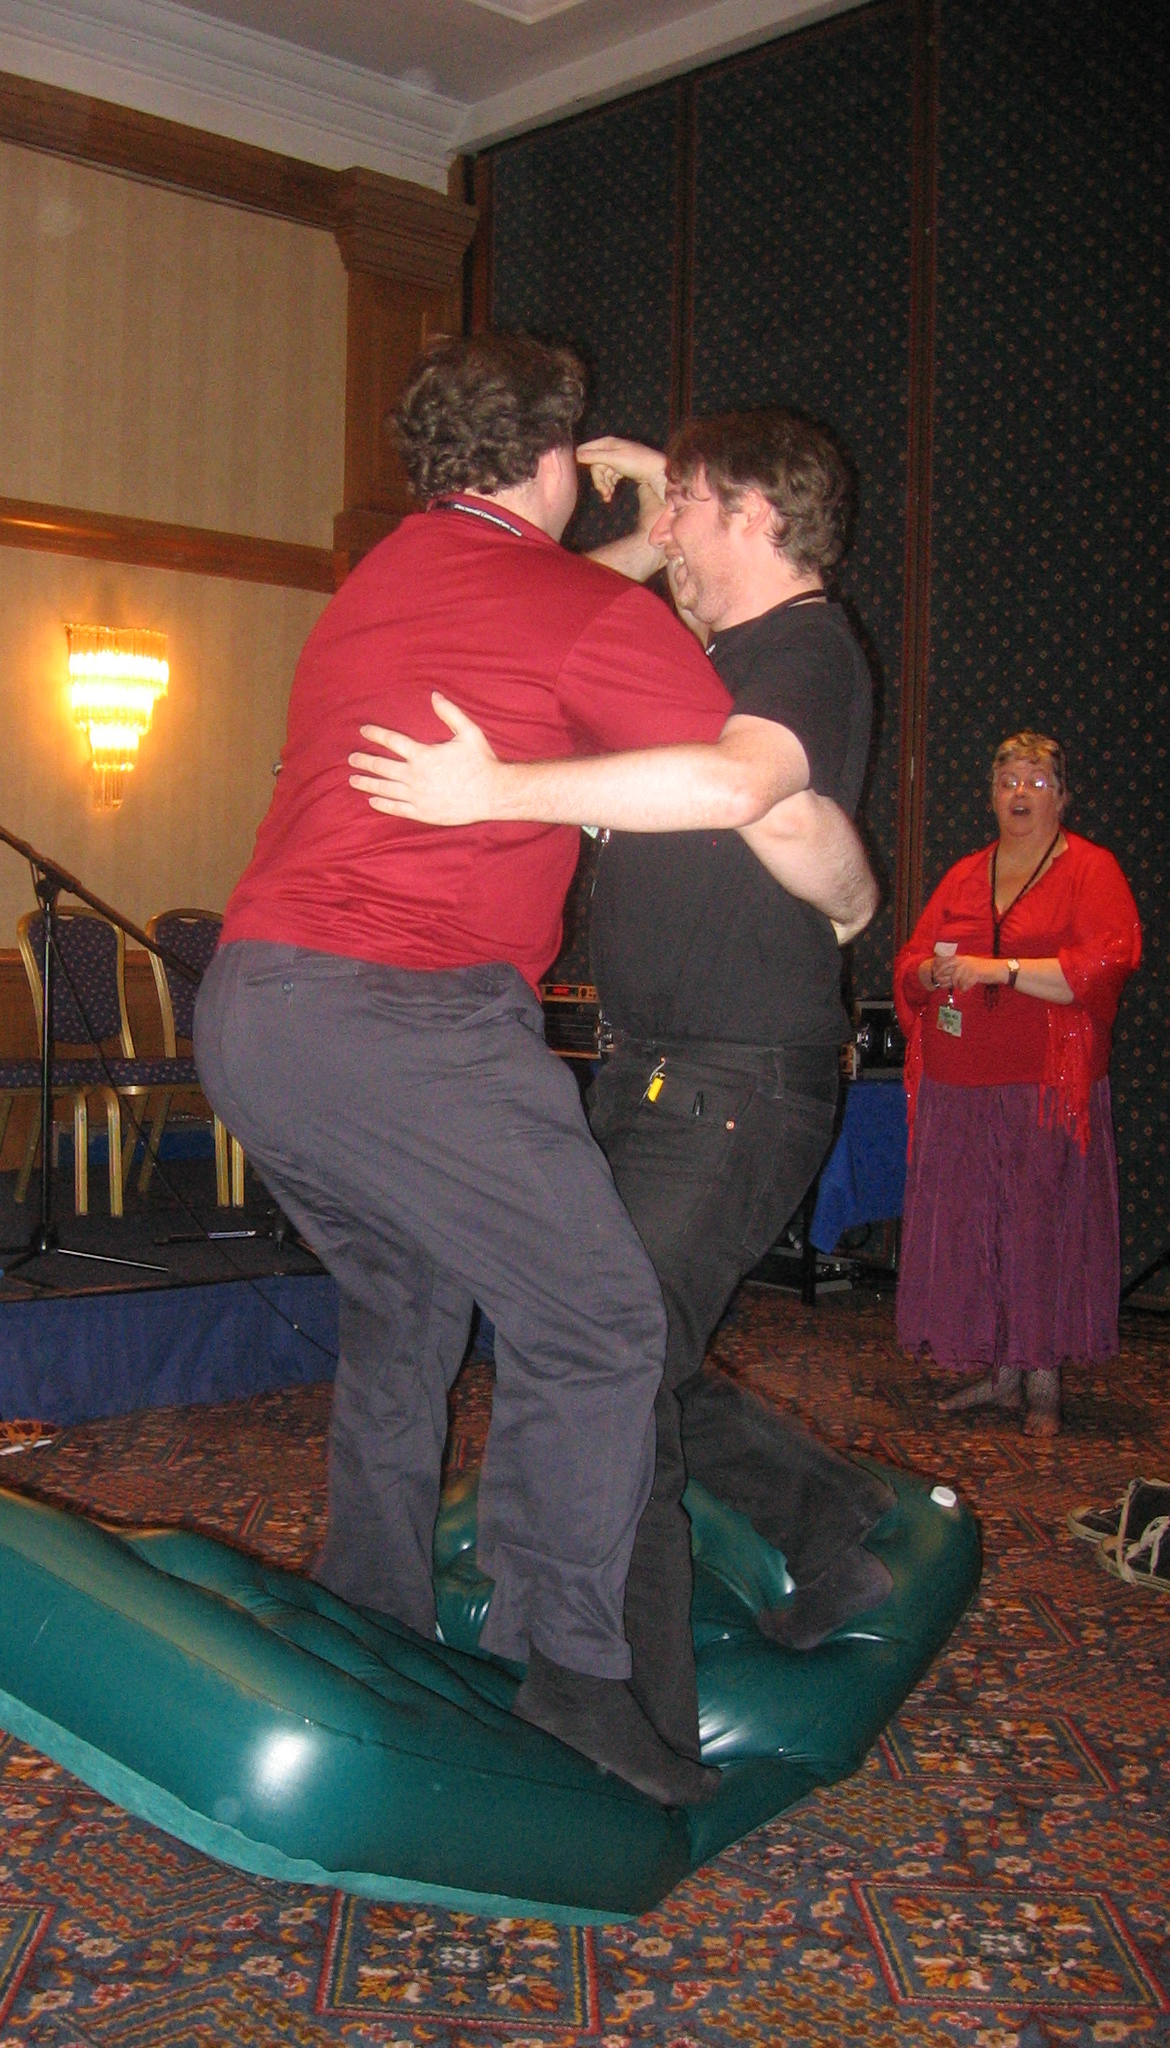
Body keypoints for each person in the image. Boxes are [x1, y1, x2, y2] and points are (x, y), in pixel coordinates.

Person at [194, 339, 869, 1804]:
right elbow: (753, 792)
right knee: (604, 1327)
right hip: (408, 1019)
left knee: (406, 1309)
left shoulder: (383, 580)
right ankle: (573, 1674)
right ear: (557, 460)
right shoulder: (590, 616)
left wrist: (643, 524)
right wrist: (854, 894)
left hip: (253, 1013)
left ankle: (374, 1613)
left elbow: (542, 588)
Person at [348, 410, 897, 1688]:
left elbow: (737, 785)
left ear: (756, 516)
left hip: (737, 1079)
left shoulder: (804, 647)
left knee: (606, 1366)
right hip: (652, 1067)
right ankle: (825, 1517)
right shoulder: (710, 646)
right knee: (598, 1334)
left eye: (694, 510)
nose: (668, 537)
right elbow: (550, 596)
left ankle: (615, 1709)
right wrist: (662, 504)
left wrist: (496, 792)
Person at [892, 732, 1140, 1436]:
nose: (1020, 793)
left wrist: (999, 970)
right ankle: (1000, 1373)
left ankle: (1043, 1380)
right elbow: (911, 959)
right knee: (975, 1226)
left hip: (1044, 1083)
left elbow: (1102, 967)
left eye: (1036, 780)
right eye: (1007, 781)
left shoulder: (1090, 868)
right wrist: (929, 973)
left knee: (1039, 1226)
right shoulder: (966, 873)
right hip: (961, 1079)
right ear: (991, 795)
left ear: (1062, 796)